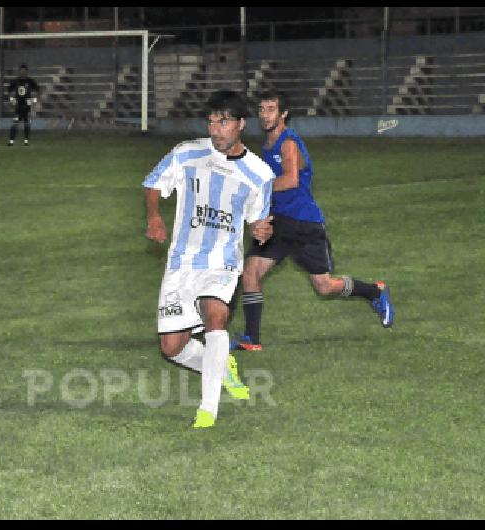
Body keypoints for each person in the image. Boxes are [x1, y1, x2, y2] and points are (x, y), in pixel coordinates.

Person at [143, 90, 275, 429]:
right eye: (212, 121)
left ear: (241, 124)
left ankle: (207, 411)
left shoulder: (259, 174)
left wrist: (261, 231)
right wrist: (155, 217)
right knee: (172, 347)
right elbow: (154, 184)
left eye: (224, 121)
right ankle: (219, 365)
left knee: (216, 315)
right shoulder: (186, 153)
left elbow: (257, 221)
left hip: (222, 261)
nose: (216, 129)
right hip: (182, 262)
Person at [231, 90, 394, 352]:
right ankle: (252, 338)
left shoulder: (288, 142)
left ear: (283, 113)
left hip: (304, 225)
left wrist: (256, 190)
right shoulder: (268, 144)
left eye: (271, 109)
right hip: (279, 224)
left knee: (325, 286)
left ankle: (375, 292)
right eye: (262, 109)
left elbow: (291, 180)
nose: (265, 114)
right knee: (250, 272)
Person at [7, 64, 40, 146]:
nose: (23, 73)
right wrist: (12, 100)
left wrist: (34, 100)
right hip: (18, 106)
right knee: (15, 123)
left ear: (26, 72)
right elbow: (9, 91)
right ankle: (11, 141)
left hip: (27, 106)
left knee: (27, 124)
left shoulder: (30, 81)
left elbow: (38, 90)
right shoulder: (15, 81)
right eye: (21, 71)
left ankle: (26, 141)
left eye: (24, 71)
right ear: (19, 71)